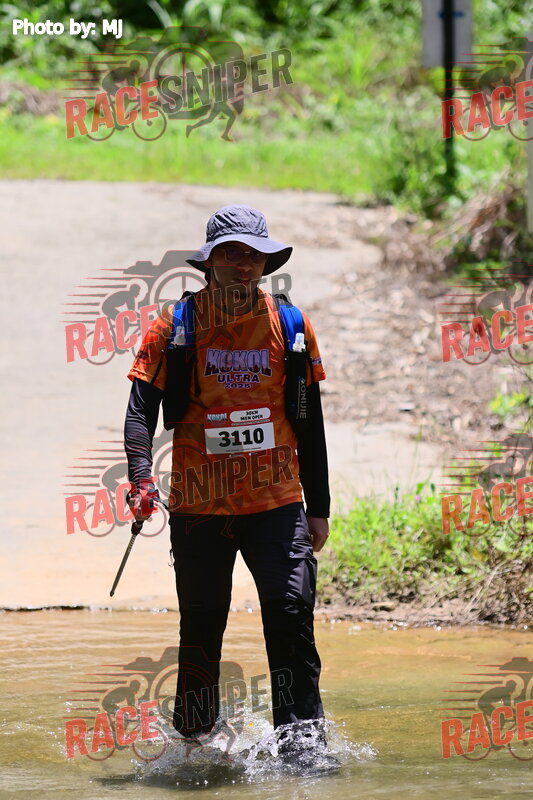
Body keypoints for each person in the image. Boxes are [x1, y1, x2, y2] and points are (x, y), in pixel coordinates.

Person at [123, 204, 331, 761]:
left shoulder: (291, 325)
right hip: (199, 506)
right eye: (231, 254)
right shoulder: (174, 326)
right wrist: (141, 478)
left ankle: (302, 746)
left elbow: (310, 421)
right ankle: (194, 743)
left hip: (277, 502)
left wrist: (319, 506)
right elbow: (140, 411)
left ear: (266, 263)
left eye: (253, 255)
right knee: (202, 624)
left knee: (291, 614)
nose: (243, 265)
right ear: (209, 262)